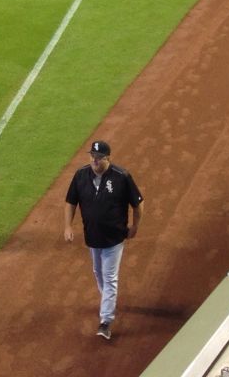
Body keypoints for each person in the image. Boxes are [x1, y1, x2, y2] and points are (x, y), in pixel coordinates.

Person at [64, 140, 143, 342]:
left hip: (114, 238)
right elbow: (70, 201)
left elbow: (138, 204)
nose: (94, 160)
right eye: (92, 156)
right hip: (93, 237)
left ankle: (106, 321)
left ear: (108, 158)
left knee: (109, 277)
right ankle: (108, 300)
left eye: (98, 157)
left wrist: (135, 226)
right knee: (98, 273)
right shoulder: (81, 175)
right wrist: (67, 226)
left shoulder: (121, 177)